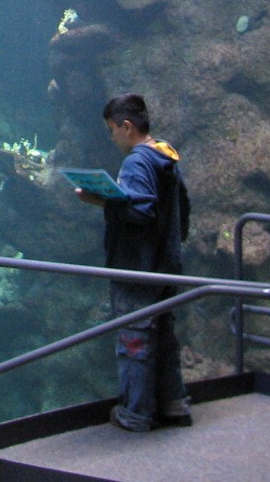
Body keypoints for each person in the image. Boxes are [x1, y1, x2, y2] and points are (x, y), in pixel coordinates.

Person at [76, 92, 192, 432]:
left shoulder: (137, 162)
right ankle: (174, 406)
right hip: (164, 265)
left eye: (112, 130)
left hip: (138, 268)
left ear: (126, 127)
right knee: (164, 338)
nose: (112, 137)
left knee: (135, 340)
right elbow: (180, 210)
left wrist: (100, 200)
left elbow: (141, 210)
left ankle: (135, 413)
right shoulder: (165, 156)